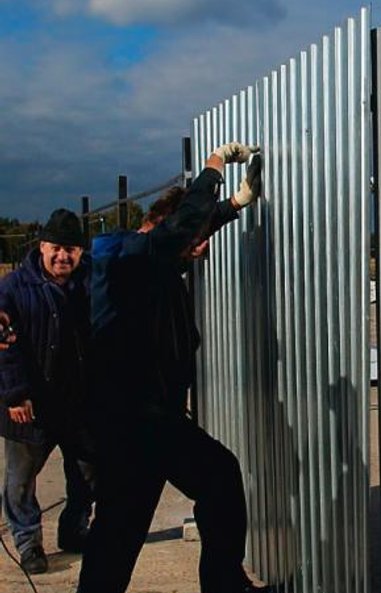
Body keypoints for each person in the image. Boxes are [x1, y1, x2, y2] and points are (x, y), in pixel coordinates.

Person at [77, 142, 272, 593]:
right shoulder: (126, 256)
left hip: (156, 419)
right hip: (129, 423)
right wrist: (215, 165)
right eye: (190, 239)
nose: (198, 249)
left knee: (218, 480)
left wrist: (234, 206)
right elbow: (181, 230)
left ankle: (225, 582)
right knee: (119, 531)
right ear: (159, 229)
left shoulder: (153, 263)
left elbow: (185, 233)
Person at [0, 210, 96, 574]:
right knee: (21, 481)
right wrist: (14, 395)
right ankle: (29, 544)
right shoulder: (13, 288)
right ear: (42, 247)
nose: (63, 257)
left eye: (71, 250)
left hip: (78, 403)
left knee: (88, 474)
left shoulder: (89, 281)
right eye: (56, 248)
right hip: (30, 405)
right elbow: (3, 345)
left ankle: (75, 530)